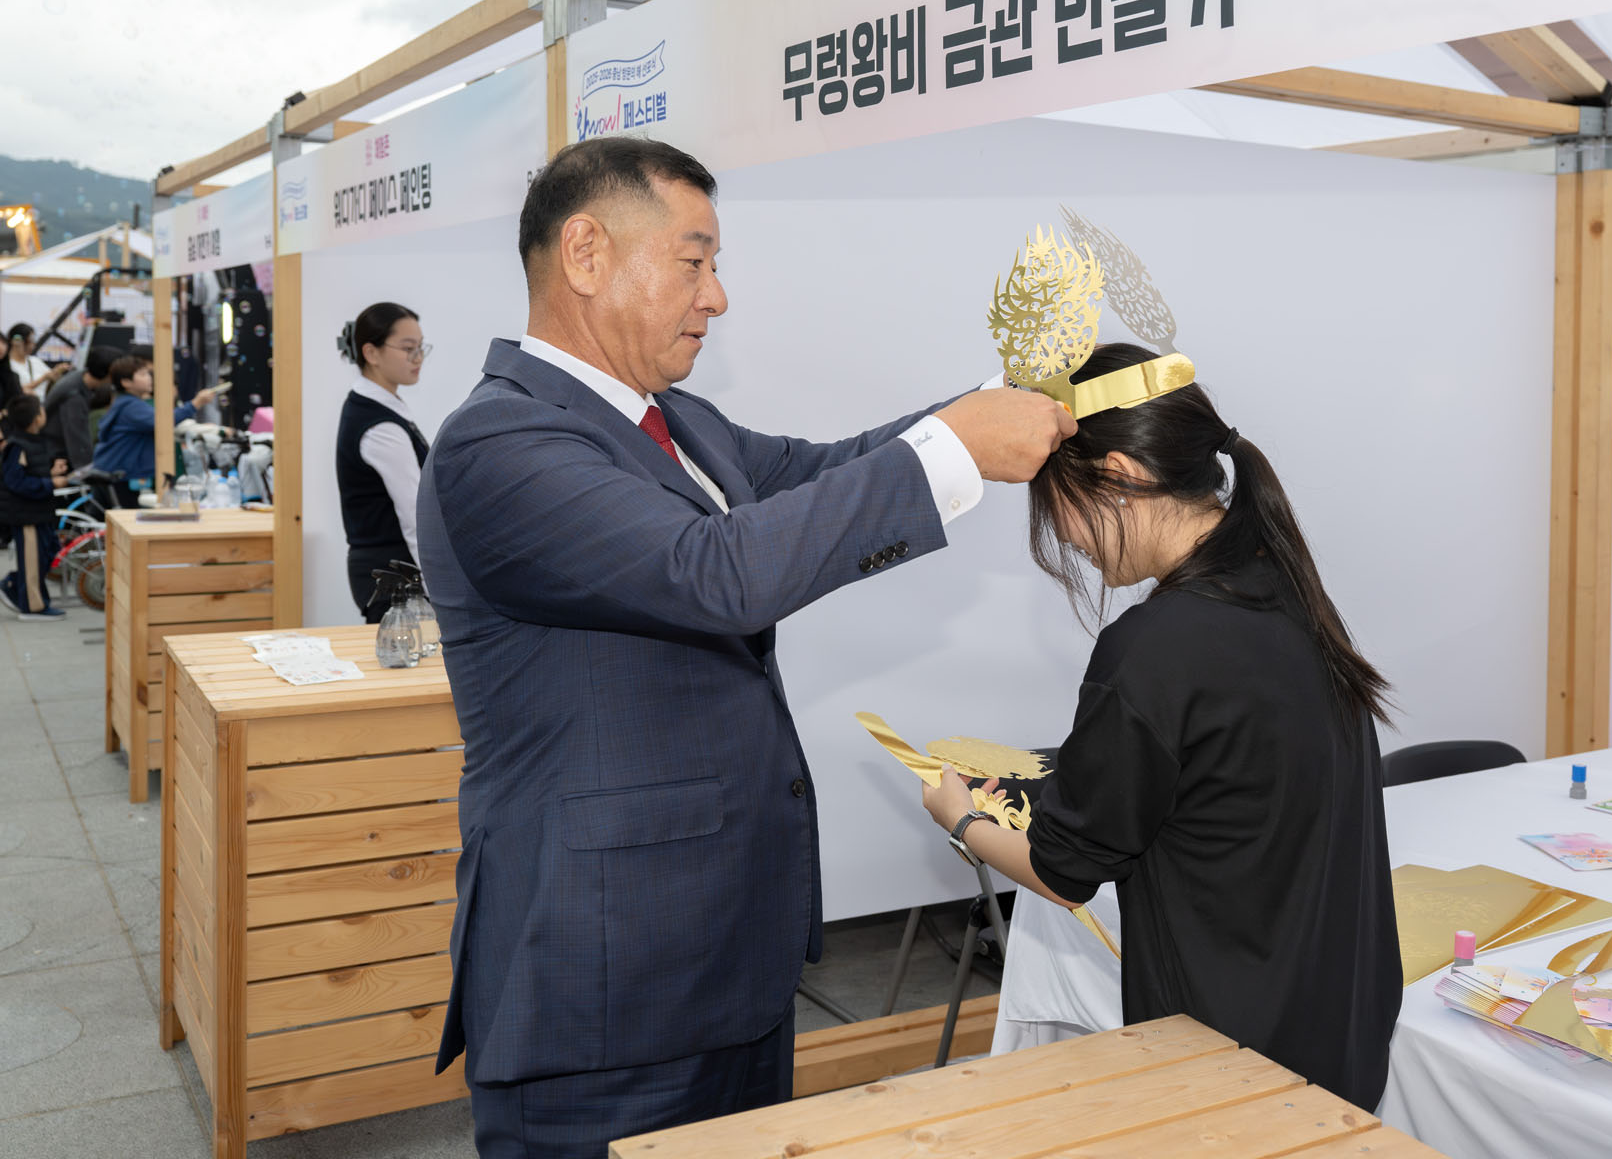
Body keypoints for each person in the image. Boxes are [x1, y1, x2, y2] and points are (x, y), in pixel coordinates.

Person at [419, 136, 1074, 1157]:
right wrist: (955, 448)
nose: (716, 297)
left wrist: (986, 407)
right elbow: (711, 572)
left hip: (727, 961)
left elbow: (830, 472)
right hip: (606, 982)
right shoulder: (498, 443)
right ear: (586, 253)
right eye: (694, 261)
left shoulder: (676, 423)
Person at [919, 342, 1403, 1111]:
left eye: (1055, 502)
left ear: (1117, 477)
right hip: (1338, 1028)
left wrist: (960, 819)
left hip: (1228, 1055)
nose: (1066, 537)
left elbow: (1064, 873)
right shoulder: (1283, 587)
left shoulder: (1154, 645)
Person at [335, 302, 429, 620]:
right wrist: (440, 587)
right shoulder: (380, 426)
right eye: (408, 348)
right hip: (394, 575)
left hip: (389, 571)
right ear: (371, 353)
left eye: (420, 347)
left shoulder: (375, 408)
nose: (418, 357)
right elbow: (415, 514)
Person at [90, 356, 212, 506]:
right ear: (126, 382)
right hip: (122, 476)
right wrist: (196, 403)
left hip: (115, 471)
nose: (149, 378)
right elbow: (163, 422)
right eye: (142, 374)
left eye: (148, 373)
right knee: (128, 517)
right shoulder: (132, 406)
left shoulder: (126, 402)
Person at [0, 395, 66, 620]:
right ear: (36, 418)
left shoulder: (33, 441)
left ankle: (12, 584)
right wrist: (51, 483)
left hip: (40, 512)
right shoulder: (17, 446)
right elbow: (15, 481)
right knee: (32, 561)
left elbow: (31, 472)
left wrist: (51, 473)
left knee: (47, 553)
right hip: (26, 515)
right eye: (42, 410)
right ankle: (33, 607)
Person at [45, 346, 117, 475]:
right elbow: (77, 439)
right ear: (107, 373)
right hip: (57, 458)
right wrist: (89, 472)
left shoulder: (80, 378)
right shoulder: (73, 396)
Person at [6, 324, 66, 396]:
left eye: (33, 341)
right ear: (17, 341)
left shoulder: (35, 361)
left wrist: (57, 372)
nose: (33, 345)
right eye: (30, 341)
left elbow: (52, 376)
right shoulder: (7, 365)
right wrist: (44, 378)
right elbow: (16, 390)